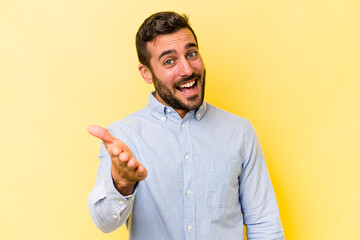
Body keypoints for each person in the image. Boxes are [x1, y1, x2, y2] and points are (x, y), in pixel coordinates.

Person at [88, 11, 284, 240]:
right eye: (169, 61)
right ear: (146, 73)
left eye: (191, 54)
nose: (188, 70)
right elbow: (104, 222)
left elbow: (265, 225)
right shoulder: (124, 138)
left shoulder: (240, 133)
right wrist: (121, 183)